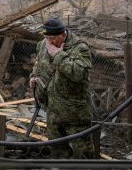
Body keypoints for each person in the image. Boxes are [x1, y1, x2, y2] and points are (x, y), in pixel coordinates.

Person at [30, 17, 95, 159]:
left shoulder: (80, 48)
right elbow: (38, 64)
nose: (50, 42)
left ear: (63, 35)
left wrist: (59, 55)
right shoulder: (43, 45)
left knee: (83, 154)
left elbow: (79, 74)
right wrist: (34, 77)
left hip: (75, 113)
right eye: (47, 37)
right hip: (52, 110)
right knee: (58, 153)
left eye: (53, 38)